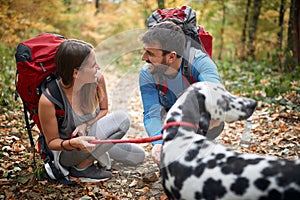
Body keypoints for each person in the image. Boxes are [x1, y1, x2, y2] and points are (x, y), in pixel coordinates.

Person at [38, 39, 145, 182]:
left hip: (93, 139)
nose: (98, 68)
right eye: (93, 65)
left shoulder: (97, 80)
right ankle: (81, 169)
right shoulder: (49, 99)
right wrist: (74, 143)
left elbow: (104, 110)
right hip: (68, 151)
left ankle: (92, 158)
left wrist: (86, 124)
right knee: (122, 119)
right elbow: (52, 142)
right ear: (76, 72)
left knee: (138, 156)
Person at [139, 21, 224, 164]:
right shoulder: (148, 73)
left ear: (171, 57)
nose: (143, 58)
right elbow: (151, 113)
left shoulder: (200, 62)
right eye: (145, 51)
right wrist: (158, 143)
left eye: (150, 53)